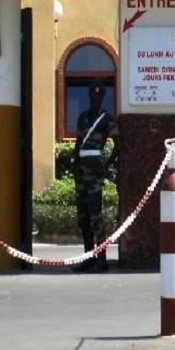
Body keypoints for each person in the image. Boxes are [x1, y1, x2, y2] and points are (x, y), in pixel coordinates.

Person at [72, 85, 118, 272]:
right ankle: (88, 257)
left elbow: (118, 144)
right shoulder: (83, 118)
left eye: (99, 96)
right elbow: (78, 143)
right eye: (93, 95)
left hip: (94, 172)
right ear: (90, 96)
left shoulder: (106, 119)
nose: (96, 99)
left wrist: (106, 165)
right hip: (81, 172)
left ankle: (101, 259)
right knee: (83, 217)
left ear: (103, 98)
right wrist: (75, 166)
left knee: (96, 217)